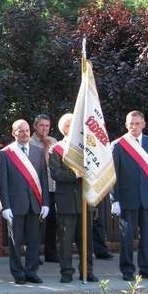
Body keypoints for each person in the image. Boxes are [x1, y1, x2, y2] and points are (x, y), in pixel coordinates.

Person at [0, 119, 50, 284]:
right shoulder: (6, 153)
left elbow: (43, 179)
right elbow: (2, 182)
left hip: (35, 204)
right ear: (14, 133)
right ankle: (18, 274)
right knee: (15, 243)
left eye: (27, 130)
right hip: (15, 206)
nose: (25, 133)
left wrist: (46, 203)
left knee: (34, 241)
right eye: (21, 131)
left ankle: (31, 272)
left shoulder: (38, 151)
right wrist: (5, 206)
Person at [49, 113, 98, 283]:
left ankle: (87, 271)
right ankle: (66, 273)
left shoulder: (88, 148)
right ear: (64, 128)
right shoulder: (56, 149)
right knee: (65, 240)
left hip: (85, 201)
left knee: (87, 241)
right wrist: (75, 174)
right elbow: (56, 174)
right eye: (71, 124)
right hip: (66, 201)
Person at [110, 110, 148, 281]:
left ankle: (146, 268)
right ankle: (127, 270)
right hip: (127, 199)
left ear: (144, 124)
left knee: (147, 237)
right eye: (131, 124)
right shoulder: (118, 145)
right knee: (126, 238)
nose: (134, 127)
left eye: (137, 123)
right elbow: (113, 175)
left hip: (147, 198)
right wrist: (115, 199)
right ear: (126, 125)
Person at [30, 114, 59, 263]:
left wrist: (50, 144)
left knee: (53, 221)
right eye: (42, 125)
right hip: (37, 187)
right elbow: (44, 164)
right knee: (36, 222)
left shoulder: (54, 141)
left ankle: (51, 253)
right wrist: (47, 147)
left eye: (47, 126)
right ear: (35, 126)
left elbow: (55, 164)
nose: (44, 129)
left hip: (52, 186)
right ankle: (34, 254)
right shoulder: (30, 142)